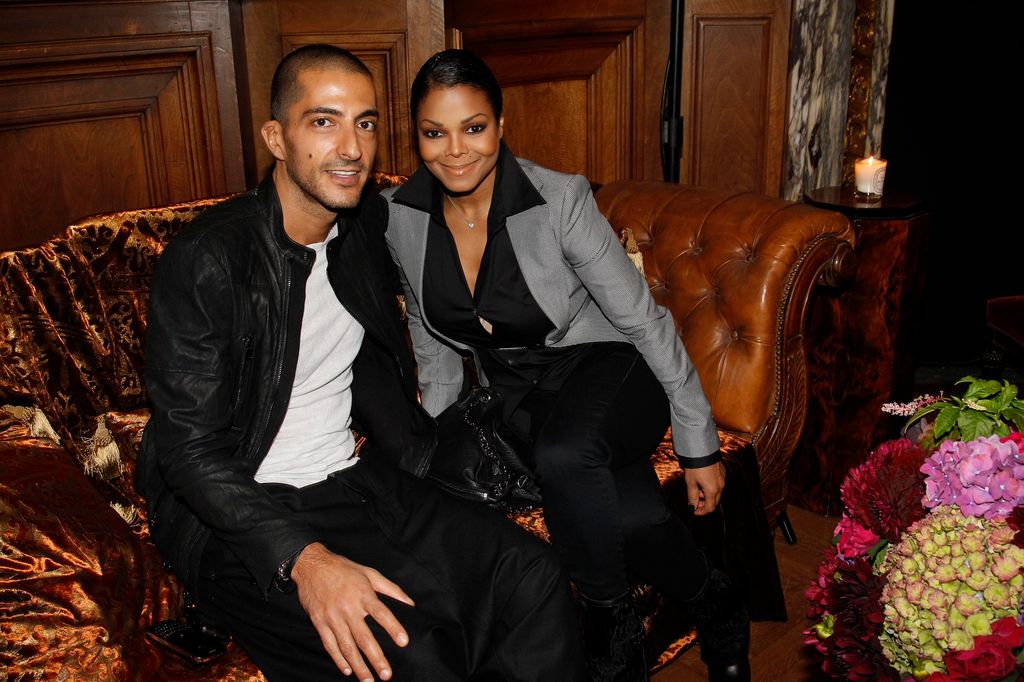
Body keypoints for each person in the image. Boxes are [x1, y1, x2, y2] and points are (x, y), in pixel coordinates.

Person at [136, 44, 586, 682]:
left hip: (353, 476)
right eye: (323, 122)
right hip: (244, 515)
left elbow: (469, 185)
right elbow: (189, 452)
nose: (350, 147)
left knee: (532, 577)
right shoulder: (210, 258)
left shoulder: (365, 224)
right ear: (276, 137)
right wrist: (307, 562)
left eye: (366, 123)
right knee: (415, 655)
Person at [384, 49, 751, 682]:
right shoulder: (399, 218)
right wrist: (439, 444)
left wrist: (697, 442)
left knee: (565, 453)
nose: (455, 151)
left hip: (610, 366)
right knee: (631, 518)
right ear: (415, 136)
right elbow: (435, 345)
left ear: (501, 125)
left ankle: (611, 629)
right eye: (433, 133)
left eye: (473, 128)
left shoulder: (559, 199)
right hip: (520, 393)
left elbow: (643, 320)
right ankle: (718, 601)